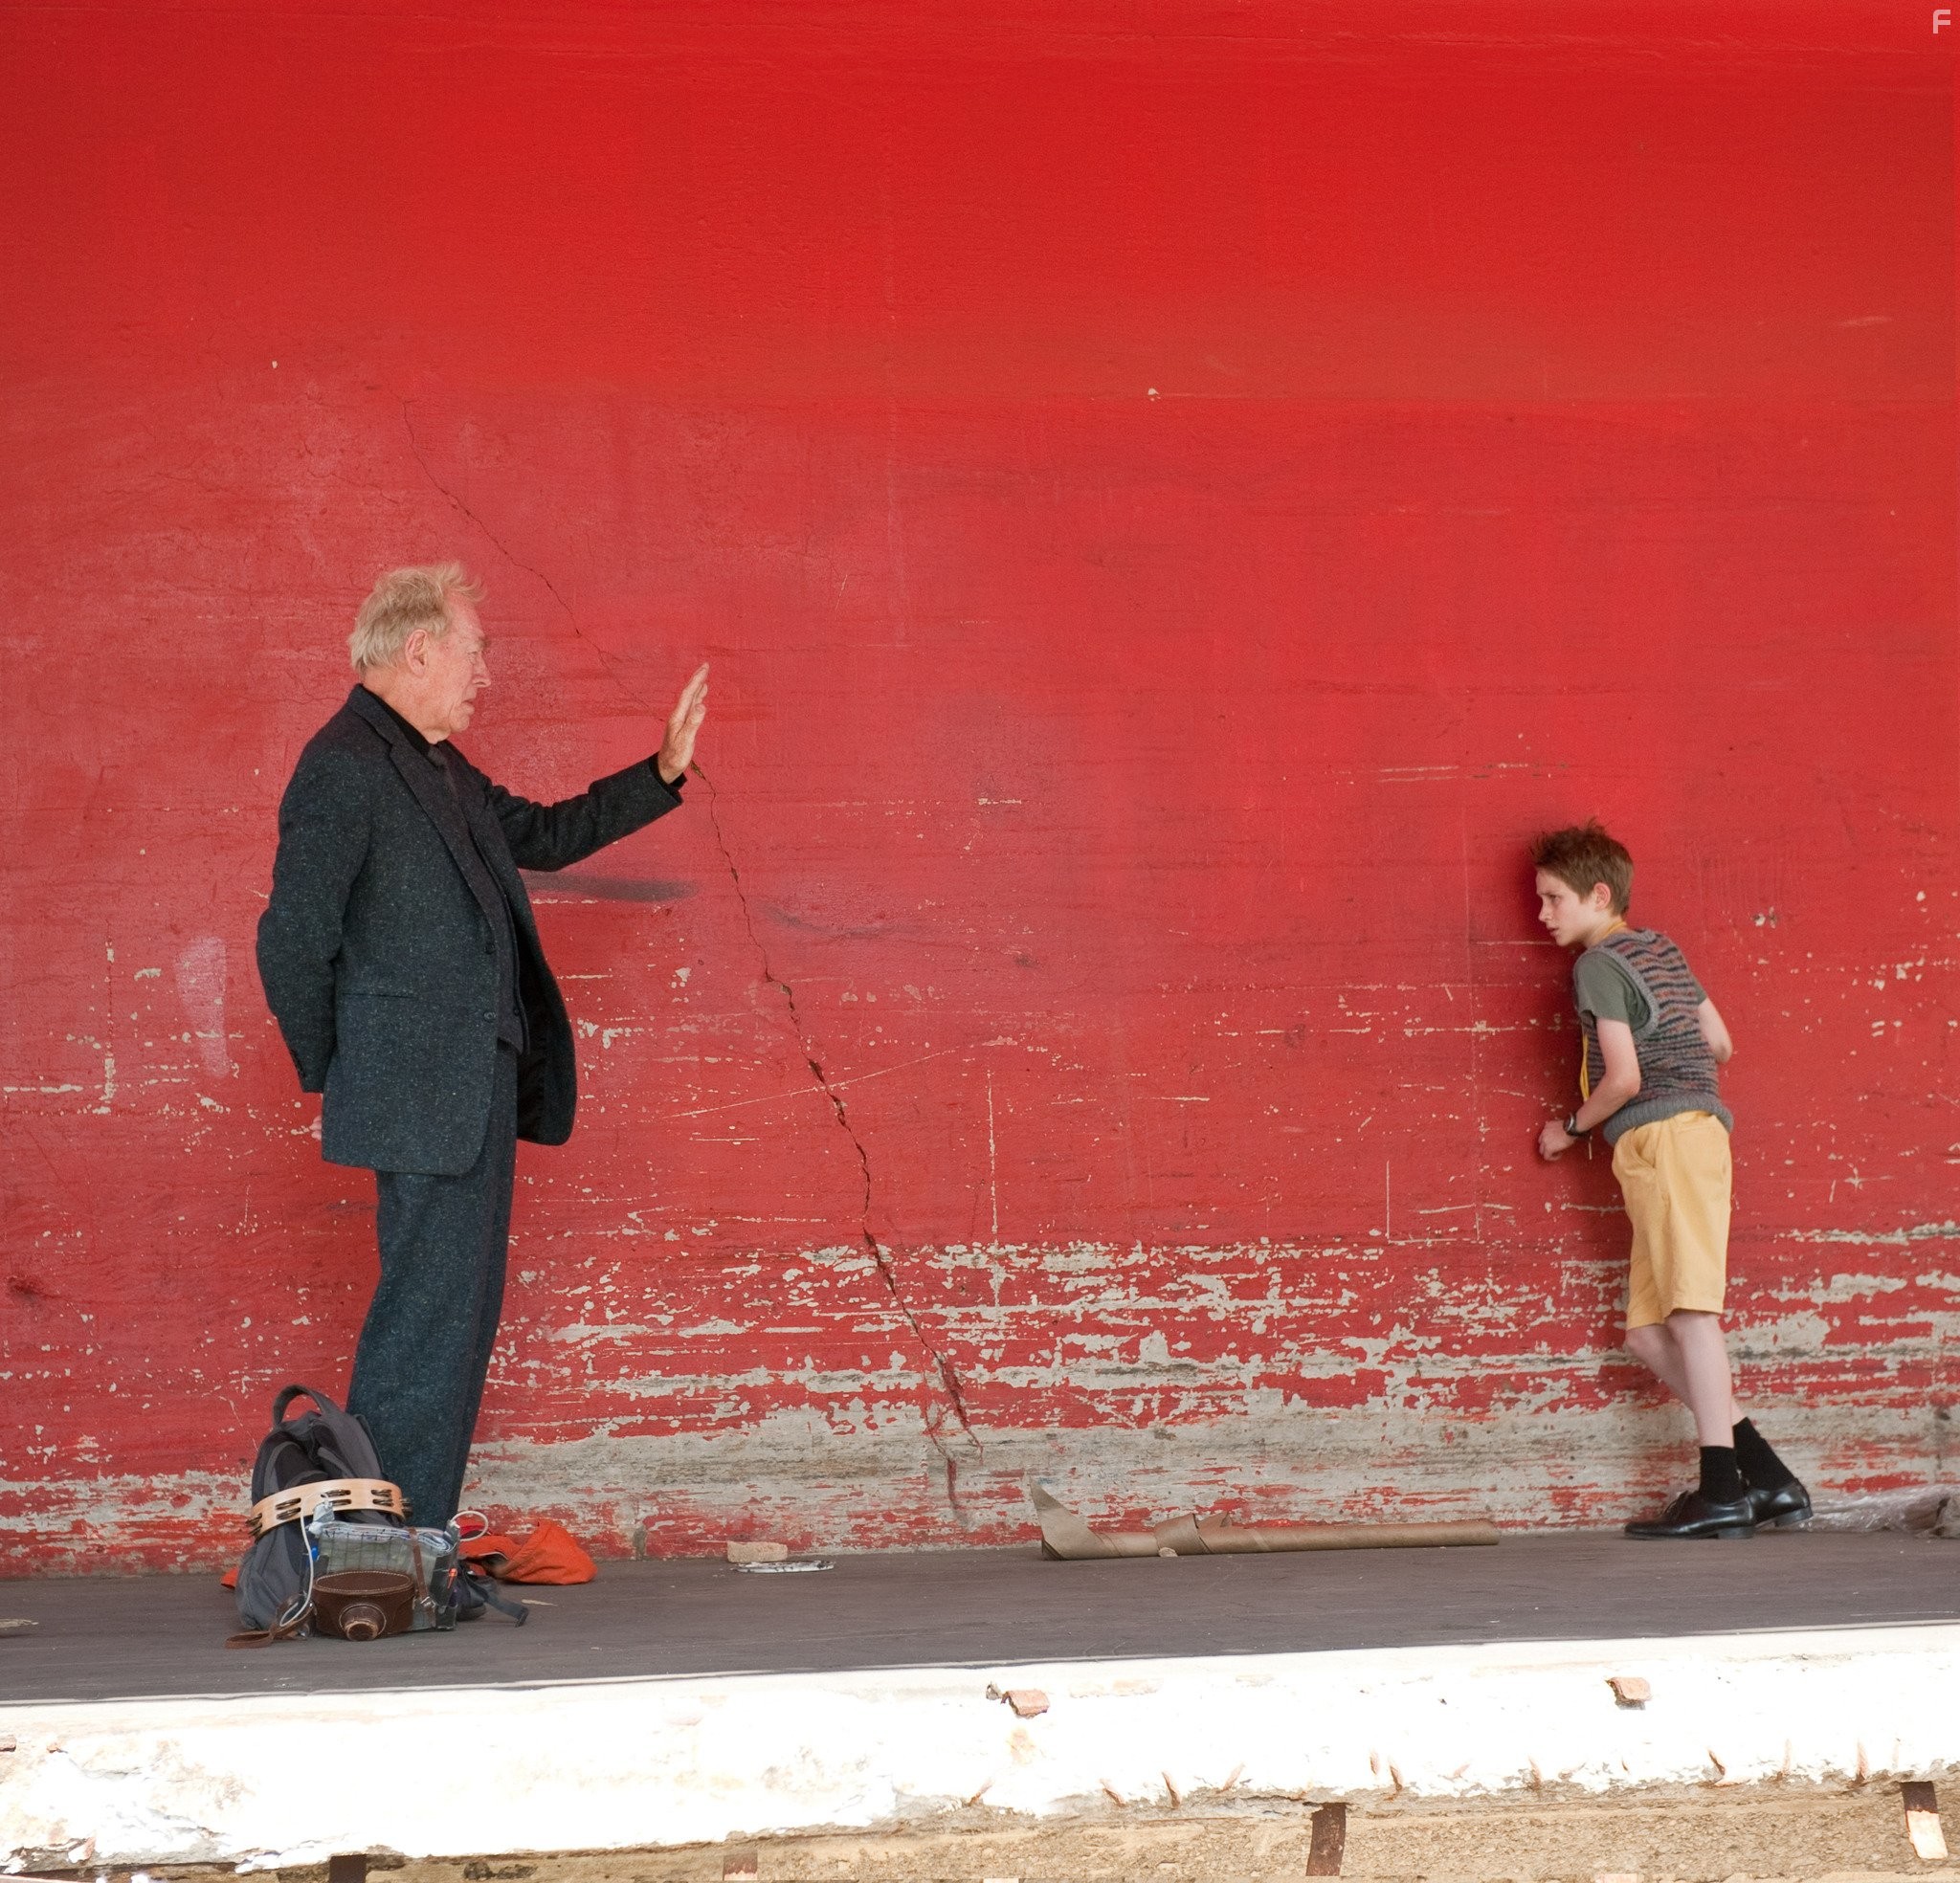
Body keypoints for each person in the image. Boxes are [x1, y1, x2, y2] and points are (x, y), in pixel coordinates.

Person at [256, 563, 708, 1526]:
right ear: (417, 649)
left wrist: (661, 772)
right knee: (427, 1319)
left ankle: (405, 1533)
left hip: (467, 1089)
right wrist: (343, 1069)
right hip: (416, 1090)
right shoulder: (345, 762)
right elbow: (292, 936)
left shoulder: (433, 764)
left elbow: (542, 836)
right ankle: (377, 1538)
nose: (483, 675)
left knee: (452, 1319)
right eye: (473, 653)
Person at [1530, 821, 1809, 1540]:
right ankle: (1769, 1479)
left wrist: (1570, 1129)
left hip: (1665, 1137)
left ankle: (1722, 1493)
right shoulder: (1661, 950)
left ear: (1598, 894)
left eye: (1554, 898)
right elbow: (1719, 1042)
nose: (1544, 915)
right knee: (1649, 1336)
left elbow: (1621, 1078)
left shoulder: (1597, 966)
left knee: (1690, 1318)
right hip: (1686, 1139)